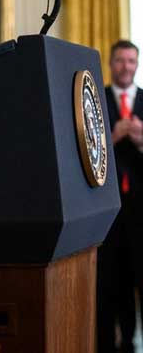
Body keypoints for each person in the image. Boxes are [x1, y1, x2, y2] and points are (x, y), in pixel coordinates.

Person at [98, 40, 143, 353]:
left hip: (140, 212)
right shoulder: (95, 99)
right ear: (111, 63)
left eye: (131, 61)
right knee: (108, 280)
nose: (125, 66)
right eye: (119, 60)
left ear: (136, 65)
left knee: (137, 276)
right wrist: (112, 138)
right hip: (106, 210)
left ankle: (131, 341)